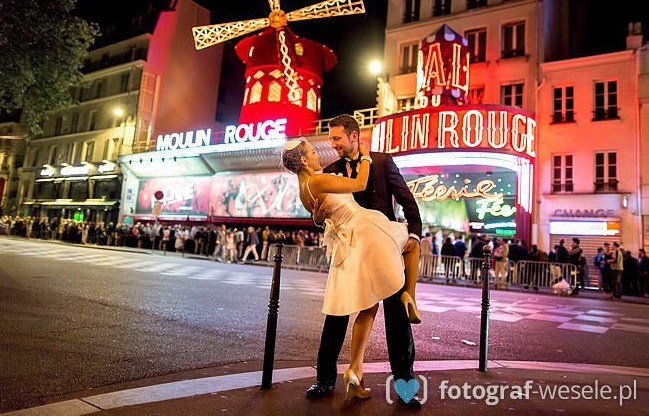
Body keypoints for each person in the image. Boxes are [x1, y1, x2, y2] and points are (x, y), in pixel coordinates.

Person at [292, 114, 423, 408]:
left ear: (354, 136)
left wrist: (414, 233)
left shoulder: (383, 161)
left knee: (397, 320)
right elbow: (321, 212)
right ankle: (325, 380)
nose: (332, 144)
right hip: (350, 250)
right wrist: (317, 219)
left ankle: (405, 387)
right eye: (331, 138)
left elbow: (407, 200)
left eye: (337, 138)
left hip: (382, 247)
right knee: (337, 313)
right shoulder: (330, 171)